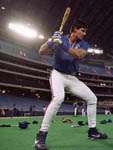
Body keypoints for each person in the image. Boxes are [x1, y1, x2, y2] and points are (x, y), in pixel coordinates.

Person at [34, 19, 108, 150]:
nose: (84, 34)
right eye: (82, 31)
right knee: (58, 98)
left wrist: (62, 45)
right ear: (75, 29)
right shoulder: (59, 38)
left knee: (92, 99)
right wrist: (51, 41)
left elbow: (79, 54)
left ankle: (92, 131)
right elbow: (41, 51)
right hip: (57, 74)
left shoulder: (83, 44)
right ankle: (41, 135)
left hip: (72, 77)